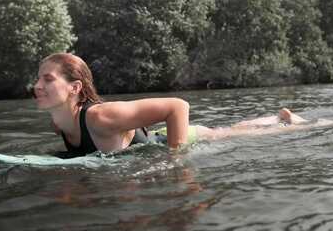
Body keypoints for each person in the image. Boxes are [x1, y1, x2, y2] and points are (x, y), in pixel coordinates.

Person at [33, 53, 310, 157]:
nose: (37, 86)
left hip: (177, 137)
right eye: (37, 79)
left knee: (232, 133)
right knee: (230, 128)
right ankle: (277, 118)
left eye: (47, 79)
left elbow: (177, 105)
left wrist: (176, 162)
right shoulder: (59, 124)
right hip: (155, 139)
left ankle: (286, 123)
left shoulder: (100, 117)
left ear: (75, 87)